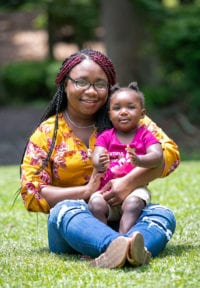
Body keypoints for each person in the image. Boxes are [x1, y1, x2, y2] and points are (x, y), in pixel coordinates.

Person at [20, 48, 180, 269]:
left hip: (126, 216)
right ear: (65, 84)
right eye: (81, 82)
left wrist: (127, 183)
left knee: (162, 214)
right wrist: (85, 192)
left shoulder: (124, 119)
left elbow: (169, 153)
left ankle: (127, 246)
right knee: (64, 210)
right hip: (74, 227)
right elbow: (32, 190)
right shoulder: (48, 132)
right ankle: (119, 246)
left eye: (100, 84)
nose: (91, 91)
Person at [88, 82, 164, 234]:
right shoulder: (105, 137)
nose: (123, 112)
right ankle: (99, 240)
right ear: (109, 114)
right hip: (107, 190)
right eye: (117, 108)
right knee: (95, 204)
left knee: (133, 205)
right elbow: (97, 154)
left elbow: (158, 156)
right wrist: (99, 161)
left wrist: (141, 160)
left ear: (142, 113)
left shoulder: (145, 135)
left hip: (135, 190)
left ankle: (124, 240)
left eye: (130, 107)